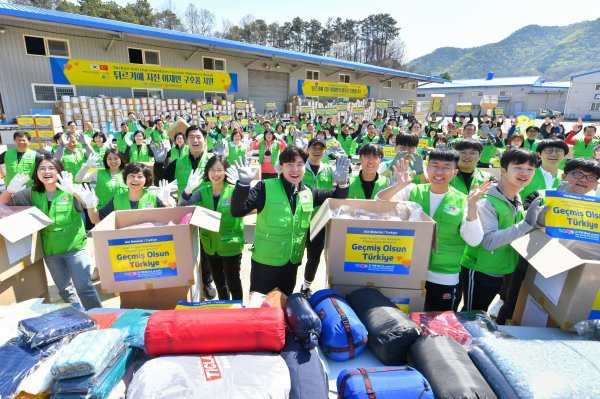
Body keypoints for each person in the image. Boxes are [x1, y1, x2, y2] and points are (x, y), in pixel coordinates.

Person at [376, 149, 489, 311]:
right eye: (435, 166)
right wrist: (399, 186)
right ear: (427, 168)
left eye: (446, 167)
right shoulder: (412, 190)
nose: (439, 172)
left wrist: (472, 208)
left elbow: (474, 240)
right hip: (408, 270)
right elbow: (379, 203)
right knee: (407, 320)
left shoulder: (464, 201)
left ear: (455, 172)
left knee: (438, 328)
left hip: (443, 277)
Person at [229, 147, 350, 296]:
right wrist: (243, 185)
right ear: (281, 167)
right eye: (290, 165)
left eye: (300, 165)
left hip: (291, 264)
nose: (295, 169)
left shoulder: (309, 192)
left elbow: (338, 196)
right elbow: (237, 211)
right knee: (261, 308)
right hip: (265, 265)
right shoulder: (264, 187)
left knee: (285, 307)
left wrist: (343, 183)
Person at [496, 158, 600, 324]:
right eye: (578, 174)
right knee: (513, 306)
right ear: (565, 175)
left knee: (551, 315)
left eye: (591, 177)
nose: (584, 180)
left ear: (595, 183)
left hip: (569, 270)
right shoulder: (540, 195)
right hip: (530, 264)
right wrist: (541, 218)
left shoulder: (596, 207)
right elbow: (520, 229)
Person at [0, 156, 101, 309]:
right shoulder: (31, 193)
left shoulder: (70, 189)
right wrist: (9, 190)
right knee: (65, 290)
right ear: (37, 172)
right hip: (51, 252)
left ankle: (100, 317)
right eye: (42, 168)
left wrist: (77, 194)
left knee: (84, 288)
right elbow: (3, 205)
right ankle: (80, 320)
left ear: (59, 170)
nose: (47, 171)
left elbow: (93, 216)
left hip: (75, 248)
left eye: (51, 168)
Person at [460, 148, 545, 312]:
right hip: (480, 270)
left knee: (482, 315)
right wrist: (526, 224)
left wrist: (536, 223)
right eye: (518, 167)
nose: (524, 173)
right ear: (503, 170)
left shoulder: (515, 196)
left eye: (530, 169)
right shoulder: (486, 201)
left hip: (504, 268)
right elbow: (489, 241)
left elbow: (512, 228)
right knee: (471, 315)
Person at [178, 156, 245, 300]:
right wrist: (188, 190)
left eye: (220, 170)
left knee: (233, 282)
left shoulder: (233, 190)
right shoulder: (203, 191)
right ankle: (224, 310)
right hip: (210, 245)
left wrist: (242, 187)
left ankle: (240, 311)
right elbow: (182, 207)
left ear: (226, 172)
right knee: (220, 283)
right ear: (207, 172)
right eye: (212, 170)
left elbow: (248, 204)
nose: (216, 174)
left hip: (230, 245)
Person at [300, 138, 335, 297]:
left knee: (314, 257)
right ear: (307, 149)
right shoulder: (299, 166)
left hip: (320, 221)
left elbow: (340, 187)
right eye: (314, 147)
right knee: (293, 257)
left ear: (325, 151)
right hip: (299, 219)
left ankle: (306, 286)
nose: (317, 151)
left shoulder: (329, 169)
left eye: (321, 148)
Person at [86, 162, 174, 223]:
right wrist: (90, 205)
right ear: (126, 179)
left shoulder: (153, 198)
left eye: (140, 177)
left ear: (146, 180)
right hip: (125, 245)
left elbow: (169, 219)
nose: (135, 179)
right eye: (131, 176)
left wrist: (167, 203)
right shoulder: (117, 199)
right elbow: (96, 219)